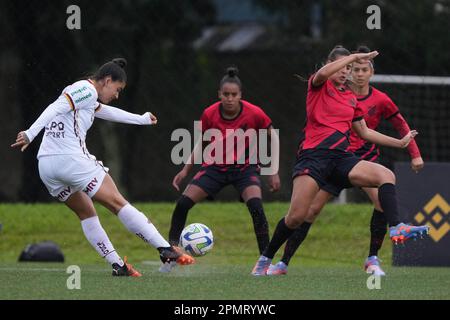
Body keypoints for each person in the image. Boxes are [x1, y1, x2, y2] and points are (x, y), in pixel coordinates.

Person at [252, 46, 429, 276]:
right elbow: (324, 73)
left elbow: (364, 132)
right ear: (329, 63)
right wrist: (355, 56)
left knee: (386, 175)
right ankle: (266, 259)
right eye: (344, 66)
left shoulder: (350, 97)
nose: (346, 71)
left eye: (349, 67)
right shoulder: (318, 85)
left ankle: (396, 228)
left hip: (342, 159)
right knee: (296, 217)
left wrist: (400, 143)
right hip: (314, 157)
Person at [11, 58, 194, 277]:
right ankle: (165, 249)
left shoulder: (82, 94)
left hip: (48, 167)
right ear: (107, 80)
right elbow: (55, 107)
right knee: (117, 202)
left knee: (86, 212)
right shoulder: (86, 89)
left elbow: (103, 111)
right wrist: (31, 133)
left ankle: (118, 265)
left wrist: (141, 119)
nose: (117, 95)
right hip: (71, 160)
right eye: (117, 89)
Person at [162, 67, 280, 272]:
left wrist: (273, 170)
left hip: (245, 168)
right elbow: (202, 144)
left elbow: (274, 137)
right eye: (226, 94)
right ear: (219, 94)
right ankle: (172, 255)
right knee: (182, 204)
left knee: (256, 208)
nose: (230, 99)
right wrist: (186, 169)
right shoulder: (210, 113)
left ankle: (264, 263)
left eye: (234, 95)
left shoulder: (254, 113)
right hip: (215, 167)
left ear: (240, 95)